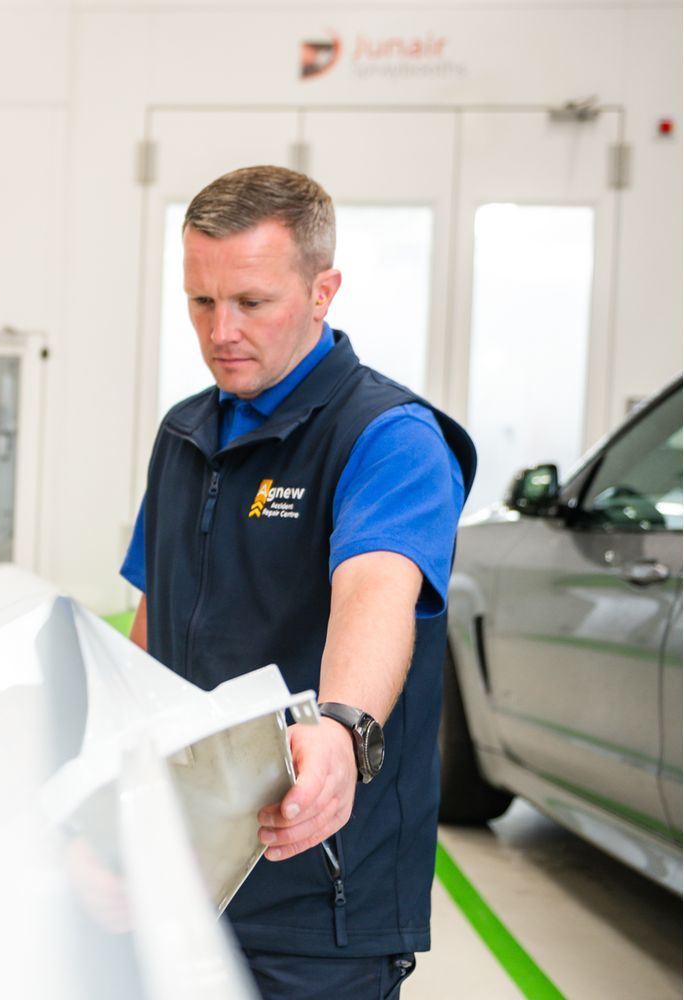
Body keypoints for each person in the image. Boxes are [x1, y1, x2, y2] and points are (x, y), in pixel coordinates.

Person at [121, 166, 476, 999]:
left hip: (319, 896)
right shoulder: (185, 434)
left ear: (324, 291)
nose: (221, 331)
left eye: (251, 302)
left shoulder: (388, 438)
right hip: (186, 878)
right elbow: (152, 622)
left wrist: (343, 729)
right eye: (201, 303)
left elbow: (376, 592)